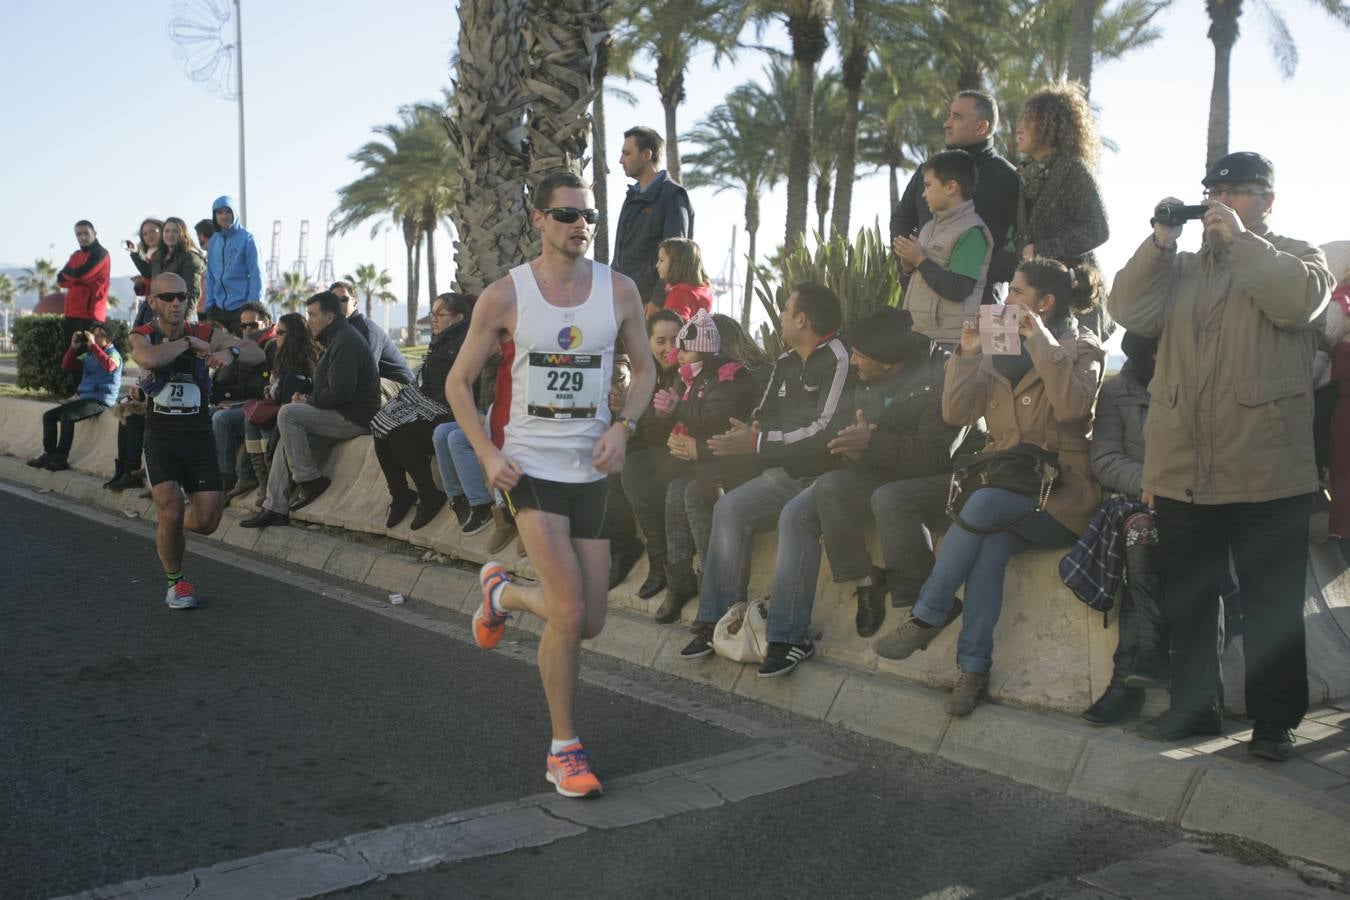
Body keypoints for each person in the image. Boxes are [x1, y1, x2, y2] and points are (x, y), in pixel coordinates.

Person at [1109, 151, 1335, 758]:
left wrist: (1238, 243)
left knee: (1271, 604)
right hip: (1185, 468)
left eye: (1239, 191)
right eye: (1217, 192)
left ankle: (1273, 722)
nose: (1224, 201)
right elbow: (1127, 310)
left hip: (1267, 470)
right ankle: (1193, 708)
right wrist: (1159, 241)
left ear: (1268, 200)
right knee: (1188, 600)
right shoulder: (1179, 268)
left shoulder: (1298, 256)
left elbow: (1297, 302)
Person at [445, 171, 653, 799]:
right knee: (567, 610)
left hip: (589, 469)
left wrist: (624, 429)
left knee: (589, 621)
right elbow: (458, 384)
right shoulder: (505, 296)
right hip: (528, 466)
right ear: (537, 219)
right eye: (565, 214)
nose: (579, 224)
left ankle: (502, 595)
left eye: (587, 214)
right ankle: (565, 749)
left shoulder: (619, 291)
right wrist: (485, 453)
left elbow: (645, 370)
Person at [874, 258, 1105, 717]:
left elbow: (1073, 409)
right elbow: (957, 414)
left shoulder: (1081, 347)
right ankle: (973, 669)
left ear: (1046, 302)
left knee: (980, 507)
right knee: (989, 550)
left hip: (1059, 497)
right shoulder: (1000, 346)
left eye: (1017, 292)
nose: (1007, 300)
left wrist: (1039, 338)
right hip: (1007, 492)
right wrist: (967, 353)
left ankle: (929, 612)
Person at [757, 308, 968, 676]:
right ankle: (862, 583)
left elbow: (935, 455)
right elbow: (848, 434)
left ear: (890, 364)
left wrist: (871, 444)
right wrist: (852, 447)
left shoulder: (941, 376)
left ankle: (918, 601)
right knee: (829, 487)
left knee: (889, 498)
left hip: (945, 476)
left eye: (860, 356)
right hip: (883, 467)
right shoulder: (864, 379)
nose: (852, 361)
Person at [678, 284, 853, 660]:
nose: (782, 317)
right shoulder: (787, 360)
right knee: (729, 508)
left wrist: (757, 442)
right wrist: (748, 433)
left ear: (802, 320)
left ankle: (788, 638)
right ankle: (716, 622)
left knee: (794, 517)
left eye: (786, 311)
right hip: (785, 472)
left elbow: (824, 429)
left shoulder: (839, 357)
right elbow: (763, 411)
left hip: (826, 475)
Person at [130, 272, 264, 609]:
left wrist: (230, 351)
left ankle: (168, 525)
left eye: (182, 297)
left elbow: (256, 353)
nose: (177, 303)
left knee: (206, 522)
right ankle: (176, 582)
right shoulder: (144, 334)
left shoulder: (204, 331)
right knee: (172, 508)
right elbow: (149, 359)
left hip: (199, 435)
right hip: (161, 434)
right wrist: (190, 345)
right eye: (168, 297)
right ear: (153, 302)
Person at [1071, 333, 1170, 724]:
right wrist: (1152, 484)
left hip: (1196, 498)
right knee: (1140, 536)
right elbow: (1106, 458)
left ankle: (1127, 682)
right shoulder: (1117, 392)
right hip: (1138, 500)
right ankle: (1142, 660)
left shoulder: (1199, 384)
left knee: (1147, 544)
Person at [658, 314, 772, 621]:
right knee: (673, 490)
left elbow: (742, 432)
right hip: (709, 461)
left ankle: (711, 582)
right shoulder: (704, 378)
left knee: (695, 492)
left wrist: (700, 449)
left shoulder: (751, 376)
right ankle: (679, 579)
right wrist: (680, 440)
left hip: (739, 466)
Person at [241, 291, 382, 527]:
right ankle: (274, 507)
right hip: (340, 412)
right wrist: (307, 398)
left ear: (329, 316)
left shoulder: (346, 341)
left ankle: (309, 480)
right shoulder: (335, 339)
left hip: (354, 418)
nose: (309, 321)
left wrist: (308, 401)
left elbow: (340, 392)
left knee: (288, 414)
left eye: (313, 315)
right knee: (287, 433)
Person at [890, 90, 1018, 304]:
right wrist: (907, 263)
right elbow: (901, 219)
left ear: (982, 127)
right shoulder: (926, 171)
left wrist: (973, 276)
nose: (946, 124)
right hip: (920, 304)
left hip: (978, 310)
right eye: (949, 115)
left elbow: (1018, 241)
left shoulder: (1008, 178)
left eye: (956, 117)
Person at [1014, 84, 1112, 339]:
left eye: (1029, 120)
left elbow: (1098, 229)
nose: (1018, 128)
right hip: (1039, 296)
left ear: (1050, 125)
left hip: (1075, 294)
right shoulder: (1026, 175)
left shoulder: (1074, 170)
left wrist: (1040, 250)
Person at [372, 292, 474, 531]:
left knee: (400, 435)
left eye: (441, 314)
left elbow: (453, 387)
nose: (434, 319)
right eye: (432, 313)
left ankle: (430, 496)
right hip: (431, 406)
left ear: (459, 318)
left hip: (450, 411)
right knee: (380, 426)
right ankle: (400, 495)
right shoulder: (442, 339)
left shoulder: (465, 342)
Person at [614, 309, 685, 598]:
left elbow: (663, 431)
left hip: (678, 452)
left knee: (636, 480)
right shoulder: (646, 374)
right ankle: (625, 551)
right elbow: (638, 429)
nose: (670, 349)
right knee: (610, 470)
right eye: (660, 341)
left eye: (675, 340)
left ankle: (662, 563)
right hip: (648, 447)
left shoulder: (688, 372)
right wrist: (623, 409)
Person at [894, 150, 994, 347]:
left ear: (951, 187)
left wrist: (920, 261)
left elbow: (959, 289)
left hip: (948, 343)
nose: (923, 194)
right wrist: (908, 268)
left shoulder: (971, 232)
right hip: (920, 337)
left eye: (928, 185)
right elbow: (916, 286)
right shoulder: (928, 228)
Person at [612, 126, 694, 316]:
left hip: (650, 308)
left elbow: (677, 255)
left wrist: (657, 301)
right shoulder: (631, 196)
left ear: (647, 154)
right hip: (623, 303)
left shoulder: (673, 196)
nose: (620, 160)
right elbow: (621, 254)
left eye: (626, 153)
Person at [27, 322, 123, 472]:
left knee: (68, 415)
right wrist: (73, 348)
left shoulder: (113, 354)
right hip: (85, 398)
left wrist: (92, 345)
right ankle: (48, 454)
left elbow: (110, 366)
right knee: (49, 416)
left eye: (99, 336)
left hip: (102, 400)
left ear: (109, 339)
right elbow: (67, 366)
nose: (95, 338)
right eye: (94, 335)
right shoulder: (90, 354)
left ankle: (61, 458)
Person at [243, 312, 317, 504]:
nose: (276, 336)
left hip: (292, 417)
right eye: (276, 332)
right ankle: (262, 482)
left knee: (264, 425)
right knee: (249, 419)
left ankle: (276, 487)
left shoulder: (304, 361)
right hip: (278, 409)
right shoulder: (280, 356)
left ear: (293, 335)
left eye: (281, 332)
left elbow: (288, 401)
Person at [211, 302, 277, 497]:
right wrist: (220, 392)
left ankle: (227, 477)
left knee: (220, 419)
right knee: (207, 413)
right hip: (244, 403)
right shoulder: (243, 346)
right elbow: (230, 380)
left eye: (253, 325)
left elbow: (258, 388)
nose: (248, 330)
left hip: (260, 405)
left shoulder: (272, 346)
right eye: (244, 326)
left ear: (267, 323)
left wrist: (228, 396)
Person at [330, 280, 416, 387]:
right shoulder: (338, 331)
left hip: (402, 386)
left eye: (343, 300)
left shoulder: (366, 330)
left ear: (355, 302)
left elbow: (367, 374)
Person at [203, 195, 262, 335]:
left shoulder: (248, 239)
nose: (224, 216)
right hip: (217, 310)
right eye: (220, 212)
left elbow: (257, 275)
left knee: (245, 351)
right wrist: (209, 305)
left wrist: (253, 307)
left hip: (242, 309)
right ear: (214, 216)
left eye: (228, 211)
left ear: (234, 213)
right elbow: (210, 275)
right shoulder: (213, 241)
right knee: (214, 352)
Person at [132, 217, 206, 321]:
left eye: (175, 231)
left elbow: (192, 293)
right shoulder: (160, 256)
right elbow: (149, 272)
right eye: (167, 231)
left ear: (182, 234)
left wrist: (183, 322)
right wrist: (135, 253)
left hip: (176, 317)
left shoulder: (190, 258)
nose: (170, 234)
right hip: (158, 316)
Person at [57, 220, 111, 343]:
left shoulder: (101, 253)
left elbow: (81, 275)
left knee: (89, 357)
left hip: (91, 314)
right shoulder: (75, 255)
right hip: (71, 312)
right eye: (78, 234)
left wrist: (74, 278)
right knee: (69, 355)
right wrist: (77, 279)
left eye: (86, 233)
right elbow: (60, 280)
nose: (82, 237)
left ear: (95, 233)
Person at [655, 238, 714, 320]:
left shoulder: (678, 294)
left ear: (676, 264)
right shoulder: (705, 291)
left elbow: (674, 329)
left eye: (661, 260)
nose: (657, 265)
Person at [126, 217, 164, 327]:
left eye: (153, 231)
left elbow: (149, 274)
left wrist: (135, 254)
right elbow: (149, 278)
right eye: (145, 234)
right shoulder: (149, 254)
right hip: (150, 302)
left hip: (159, 306)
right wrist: (140, 284)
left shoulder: (163, 253)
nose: (149, 236)